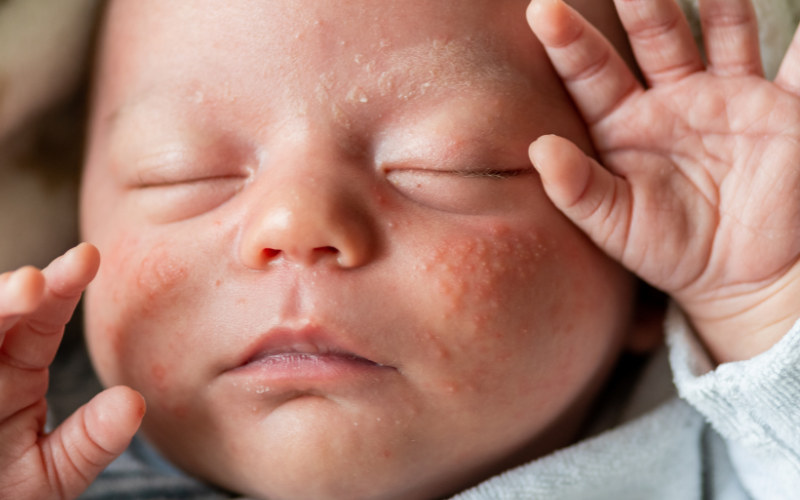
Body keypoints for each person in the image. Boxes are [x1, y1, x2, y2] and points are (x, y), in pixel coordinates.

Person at [1, 0, 799, 498]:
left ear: (643, 279)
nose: (296, 224)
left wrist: (761, 303)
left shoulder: (748, 456)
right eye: (180, 173)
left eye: (449, 164)